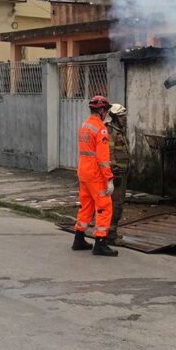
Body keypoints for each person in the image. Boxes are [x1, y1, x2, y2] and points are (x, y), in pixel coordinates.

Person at [72, 94, 117, 256]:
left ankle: (78, 239)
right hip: (96, 174)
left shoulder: (84, 125)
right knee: (104, 207)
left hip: (83, 172)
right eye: (106, 110)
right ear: (102, 110)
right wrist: (109, 178)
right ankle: (100, 243)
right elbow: (103, 158)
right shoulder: (101, 129)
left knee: (87, 206)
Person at [106, 103, 130, 245]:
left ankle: (111, 232)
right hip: (116, 174)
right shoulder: (111, 131)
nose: (124, 119)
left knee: (118, 203)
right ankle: (110, 235)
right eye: (121, 117)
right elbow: (109, 153)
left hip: (122, 173)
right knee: (116, 204)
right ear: (115, 117)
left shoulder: (118, 130)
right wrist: (114, 170)